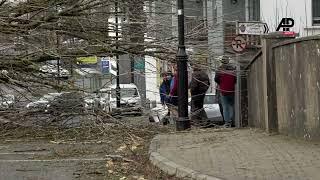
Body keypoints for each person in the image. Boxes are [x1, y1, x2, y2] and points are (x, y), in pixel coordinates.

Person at [214, 62, 236, 128]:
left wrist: (221, 84)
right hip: (232, 90)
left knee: (225, 107)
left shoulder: (220, 71)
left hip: (223, 91)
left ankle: (227, 123)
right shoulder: (233, 71)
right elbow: (235, 80)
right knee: (231, 106)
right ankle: (231, 121)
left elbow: (216, 79)